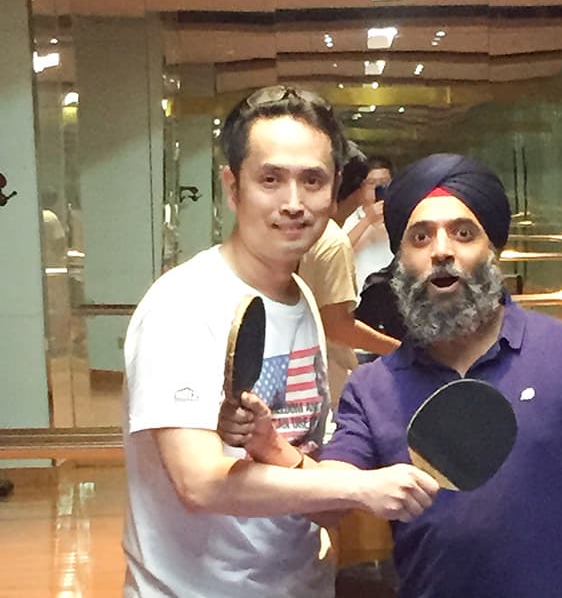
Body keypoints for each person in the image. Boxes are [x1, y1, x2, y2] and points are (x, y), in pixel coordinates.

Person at [221, 153, 562, 598]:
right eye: (420, 237)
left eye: (463, 233)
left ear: (492, 250)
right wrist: (268, 443)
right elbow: (331, 501)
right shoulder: (374, 387)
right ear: (400, 260)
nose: (441, 251)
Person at [121, 86, 438, 598]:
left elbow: (296, 454)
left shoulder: (301, 297)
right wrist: (359, 486)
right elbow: (199, 481)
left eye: (312, 180)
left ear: (334, 190)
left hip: (299, 584)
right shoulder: (182, 305)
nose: (293, 203)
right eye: (271, 179)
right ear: (233, 187)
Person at [298, 142, 400, 407]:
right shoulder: (332, 240)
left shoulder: (302, 229)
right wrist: (400, 350)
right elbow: (338, 326)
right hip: (323, 370)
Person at [341, 155, 395, 294]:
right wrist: (367, 220)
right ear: (361, 187)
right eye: (371, 183)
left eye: (384, 182)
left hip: (393, 293)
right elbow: (338, 252)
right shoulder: (349, 217)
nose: (378, 188)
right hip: (359, 294)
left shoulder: (401, 215)